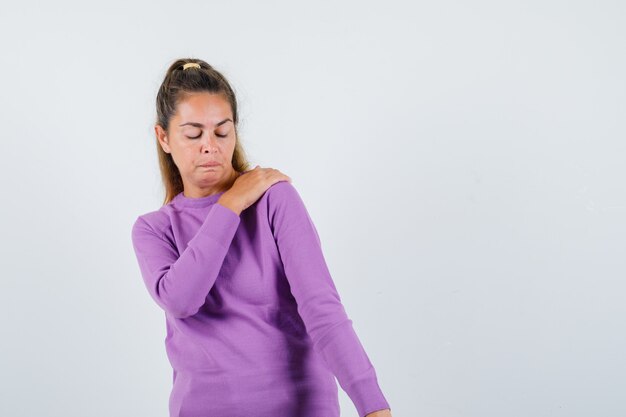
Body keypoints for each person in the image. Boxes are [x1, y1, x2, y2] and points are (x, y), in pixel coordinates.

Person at [130, 58, 392, 417]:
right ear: (164, 138)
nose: (210, 146)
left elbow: (321, 308)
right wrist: (231, 204)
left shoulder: (274, 199)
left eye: (222, 132)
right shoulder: (154, 229)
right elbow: (181, 299)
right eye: (193, 134)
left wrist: (373, 406)